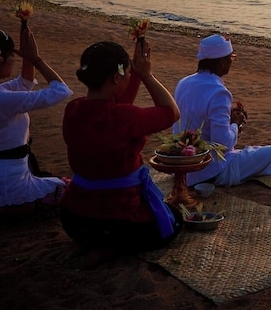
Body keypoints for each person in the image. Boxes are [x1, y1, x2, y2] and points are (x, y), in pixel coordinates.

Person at [59, 37, 182, 252]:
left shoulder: (74, 109)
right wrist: (147, 75)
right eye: (127, 73)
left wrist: (135, 73)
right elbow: (172, 112)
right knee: (175, 219)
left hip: (73, 219)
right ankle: (107, 250)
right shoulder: (123, 117)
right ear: (116, 77)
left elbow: (115, 108)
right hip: (116, 222)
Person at [0, 27, 72, 213]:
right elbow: (61, 91)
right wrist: (37, 60)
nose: (14, 60)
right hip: (7, 191)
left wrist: (27, 59)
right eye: (12, 55)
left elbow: (24, 83)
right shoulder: (2, 99)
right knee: (72, 188)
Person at [173, 34, 271, 187]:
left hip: (181, 164)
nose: (231, 62)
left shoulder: (183, 83)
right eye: (231, 58)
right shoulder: (218, 92)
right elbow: (222, 145)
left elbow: (198, 116)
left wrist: (227, 117)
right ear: (222, 62)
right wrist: (235, 124)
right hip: (210, 169)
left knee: (253, 152)